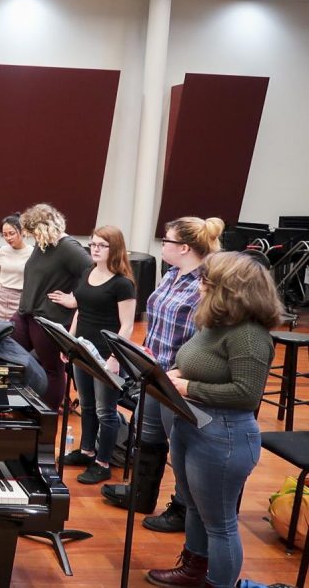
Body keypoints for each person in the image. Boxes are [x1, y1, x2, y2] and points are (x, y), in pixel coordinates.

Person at [146, 251, 282, 588]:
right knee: (193, 504)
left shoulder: (249, 334)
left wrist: (188, 385)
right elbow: (200, 364)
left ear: (231, 288)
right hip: (193, 425)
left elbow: (247, 394)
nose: (200, 285)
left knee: (220, 523)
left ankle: (217, 583)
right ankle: (193, 568)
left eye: (208, 280)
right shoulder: (217, 323)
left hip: (224, 436)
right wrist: (177, 373)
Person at [101, 217, 225, 530]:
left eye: (166, 241)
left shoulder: (207, 282)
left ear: (184, 247)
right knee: (147, 434)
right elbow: (157, 321)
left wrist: (182, 372)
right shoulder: (171, 273)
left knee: (182, 446)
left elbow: (208, 336)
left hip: (180, 378)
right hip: (154, 371)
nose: (162, 245)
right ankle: (141, 495)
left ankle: (182, 509)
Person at [53, 225, 136, 485]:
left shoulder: (123, 284)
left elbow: (127, 325)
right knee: (87, 405)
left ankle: (102, 462)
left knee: (105, 411)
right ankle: (87, 450)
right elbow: (80, 310)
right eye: (93, 244)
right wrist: (70, 342)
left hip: (105, 354)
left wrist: (115, 356)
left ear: (115, 249)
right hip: (83, 349)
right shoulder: (88, 273)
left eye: (101, 245)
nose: (95, 249)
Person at [10, 203, 92, 410]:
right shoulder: (43, 244)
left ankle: (48, 413)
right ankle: (21, 398)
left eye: (33, 233)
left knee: (53, 369)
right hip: (27, 313)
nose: (32, 237)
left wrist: (75, 299)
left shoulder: (68, 248)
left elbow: (93, 274)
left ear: (44, 227)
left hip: (49, 317)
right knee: (6, 349)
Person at [0, 213, 32, 321]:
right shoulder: (3, 250)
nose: (8, 238)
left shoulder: (32, 253)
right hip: (1, 296)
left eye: (11, 233)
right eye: (5, 234)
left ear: (22, 232)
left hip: (20, 298)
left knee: (15, 332)